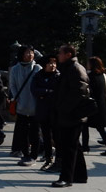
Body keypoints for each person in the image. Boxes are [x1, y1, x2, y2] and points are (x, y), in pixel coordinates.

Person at [51, 44, 89, 188]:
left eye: (60, 53)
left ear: (68, 54)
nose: (58, 56)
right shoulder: (68, 68)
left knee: (68, 147)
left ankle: (66, 178)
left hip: (72, 114)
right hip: (68, 113)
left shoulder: (75, 68)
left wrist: (64, 108)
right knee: (74, 146)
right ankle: (80, 175)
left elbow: (80, 92)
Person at [9, 45, 42, 166]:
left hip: (35, 106)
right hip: (21, 105)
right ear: (21, 54)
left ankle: (34, 155)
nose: (30, 55)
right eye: (28, 52)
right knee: (22, 133)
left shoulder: (38, 68)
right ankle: (25, 154)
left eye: (32, 52)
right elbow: (12, 85)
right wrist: (16, 97)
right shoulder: (15, 69)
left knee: (35, 132)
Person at [30, 55, 60, 171]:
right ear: (44, 65)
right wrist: (47, 91)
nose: (53, 65)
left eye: (54, 63)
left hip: (55, 110)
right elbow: (34, 90)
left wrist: (44, 93)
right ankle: (48, 158)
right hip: (42, 110)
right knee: (46, 136)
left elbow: (58, 92)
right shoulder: (38, 76)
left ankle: (59, 160)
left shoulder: (58, 76)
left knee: (57, 136)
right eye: (50, 63)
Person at [81, 56, 106, 154]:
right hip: (101, 104)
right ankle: (85, 146)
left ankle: (85, 146)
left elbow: (89, 91)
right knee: (99, 127)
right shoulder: (101, 75)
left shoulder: (90, 77)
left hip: (91, 105)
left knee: (85, 126)